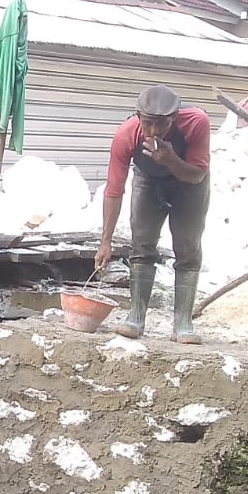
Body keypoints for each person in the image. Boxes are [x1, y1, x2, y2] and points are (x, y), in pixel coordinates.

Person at [95, 84, 210, 344]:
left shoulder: (195, 122)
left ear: (174, 117)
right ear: (138, 116)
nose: (154, 131)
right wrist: (105, 241)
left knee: (188, 248)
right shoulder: (126, 134)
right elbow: (114, 189)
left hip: (190, 182)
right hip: (148, 180)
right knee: (142, 244)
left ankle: (183, 323)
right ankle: (136, 317)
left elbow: (197, 174)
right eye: (148, 123)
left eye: (162, 124)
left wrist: (170, 160)